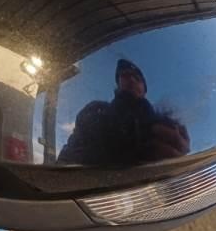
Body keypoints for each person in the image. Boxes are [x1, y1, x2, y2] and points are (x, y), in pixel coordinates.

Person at [58, 59, 190, 165]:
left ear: (144, 89)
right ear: (118, 82)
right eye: (125, 75)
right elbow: (69, 155)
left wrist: (179, 153)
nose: (132, 80)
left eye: (137, 78)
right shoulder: (95, 111)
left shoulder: (162, 121)